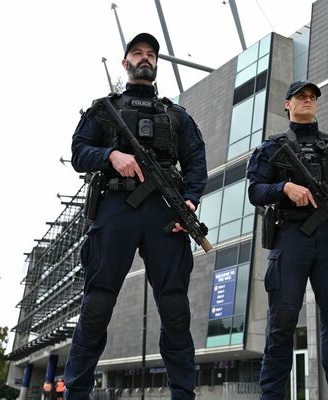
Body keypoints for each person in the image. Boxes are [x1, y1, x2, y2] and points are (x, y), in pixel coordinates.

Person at [64, 32, 207, 400]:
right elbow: (79, 151)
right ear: (125, 62)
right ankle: (75, 393)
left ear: (157, 64)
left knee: (174, 308)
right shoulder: (103, 109)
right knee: (96, 305)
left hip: (165, 213)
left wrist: (189, 201)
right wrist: (111, 156)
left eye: (151, 54)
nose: (145, 58)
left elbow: (196, 163)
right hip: (115, 209)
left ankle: (183, 394)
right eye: (137, 53)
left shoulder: (177, 115)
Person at [247, 80, 328, 399]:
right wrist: (283, 188)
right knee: (282, 322)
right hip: (291, 238)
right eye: (301, 96)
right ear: (287, 104)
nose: (308, 100)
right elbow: (255, 191)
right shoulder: (270, 147)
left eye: (312, 97)